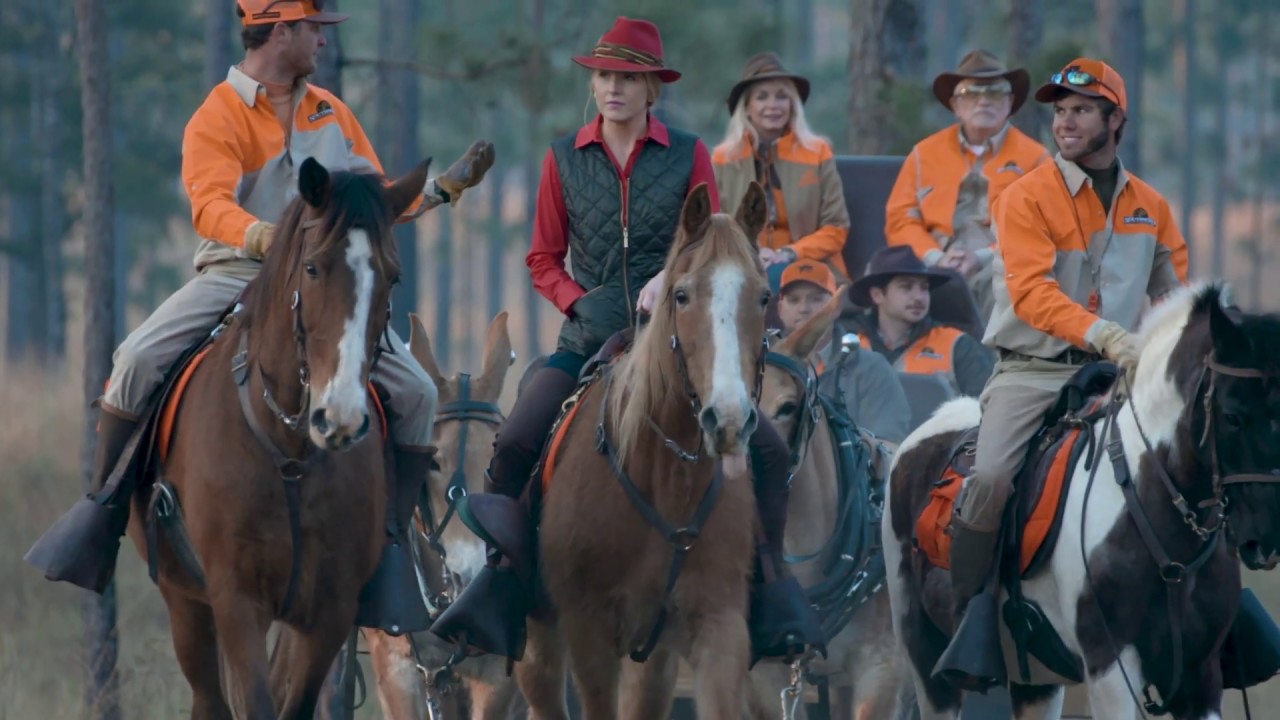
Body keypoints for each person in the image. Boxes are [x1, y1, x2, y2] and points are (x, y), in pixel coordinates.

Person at [25, 0, 496, 636]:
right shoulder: (217, 114)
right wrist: (264, 239)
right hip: (237, 271)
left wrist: (440, 190)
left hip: (324, 278)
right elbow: (209, 205)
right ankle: (102, 516)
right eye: (314, 31)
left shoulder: (331, 113)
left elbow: (372, 202)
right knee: (134, 361)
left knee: (416, 394)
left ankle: (390, 546)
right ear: (281, 32)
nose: (322, 43)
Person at [430, 16, 821, 663]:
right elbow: (542, 258)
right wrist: (577, 300)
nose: (613, 88)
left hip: (678, 339)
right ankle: (503, 584)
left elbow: (706, 239)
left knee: (772, 455)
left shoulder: (688, 153)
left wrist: (670, 276)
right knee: (517, 440)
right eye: (604, 76)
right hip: (589, 334)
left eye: (628, 78)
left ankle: (772, 586)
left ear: (650, 89)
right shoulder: (563, 157)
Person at [948, 58, 1189, 610]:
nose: (1065, 123)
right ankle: (971, 613)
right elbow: (1032, 293)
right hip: (1033, 372)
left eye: (1081, 110)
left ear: (1115, 119)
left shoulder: (1151, 206)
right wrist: (1106, 333)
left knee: (1199, 462)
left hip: (1120, 375)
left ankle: (1218, 610)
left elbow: (1175, 298)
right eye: (1061, 112)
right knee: (990, 479)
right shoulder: (1025, 196)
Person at [885, 50, 1051, 324]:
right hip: (932, 263)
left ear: (1010, 103)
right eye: (971, 93)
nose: (983, 101)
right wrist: (937, 258)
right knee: (894, 286)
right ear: (956, 105)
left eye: (995, 92)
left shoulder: (1036, 158)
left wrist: (983, 257)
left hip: (999, 261)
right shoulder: (923, 154)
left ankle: (985, 351)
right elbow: (901, 219)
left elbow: (1041, 229)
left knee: (1002, 283)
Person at [712, 52, 850, 295]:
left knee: (775, 280)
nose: (773, 105)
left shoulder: (817, 152)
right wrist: (752, 253)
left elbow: (836, 227)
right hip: (741, 266)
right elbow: (715, 227)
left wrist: (789, 253)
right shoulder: (723, 158)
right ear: (747, 108)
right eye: (762, 97)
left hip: (809, 266)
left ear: (792, 105)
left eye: (782, 96)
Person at [775, 262, 911, 444]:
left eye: (816, 299)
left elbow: (887, 444)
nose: (804, 308)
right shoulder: (762, 368)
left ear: (836, 307)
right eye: (793, 300)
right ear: (780, 310)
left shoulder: (871, 368)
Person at [844, 246, 996, 398]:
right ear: (877, 295)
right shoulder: (851, 349)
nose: (919, 297)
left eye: (924, 288)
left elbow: (987, 403)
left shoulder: (958, 344)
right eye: (906, 287)